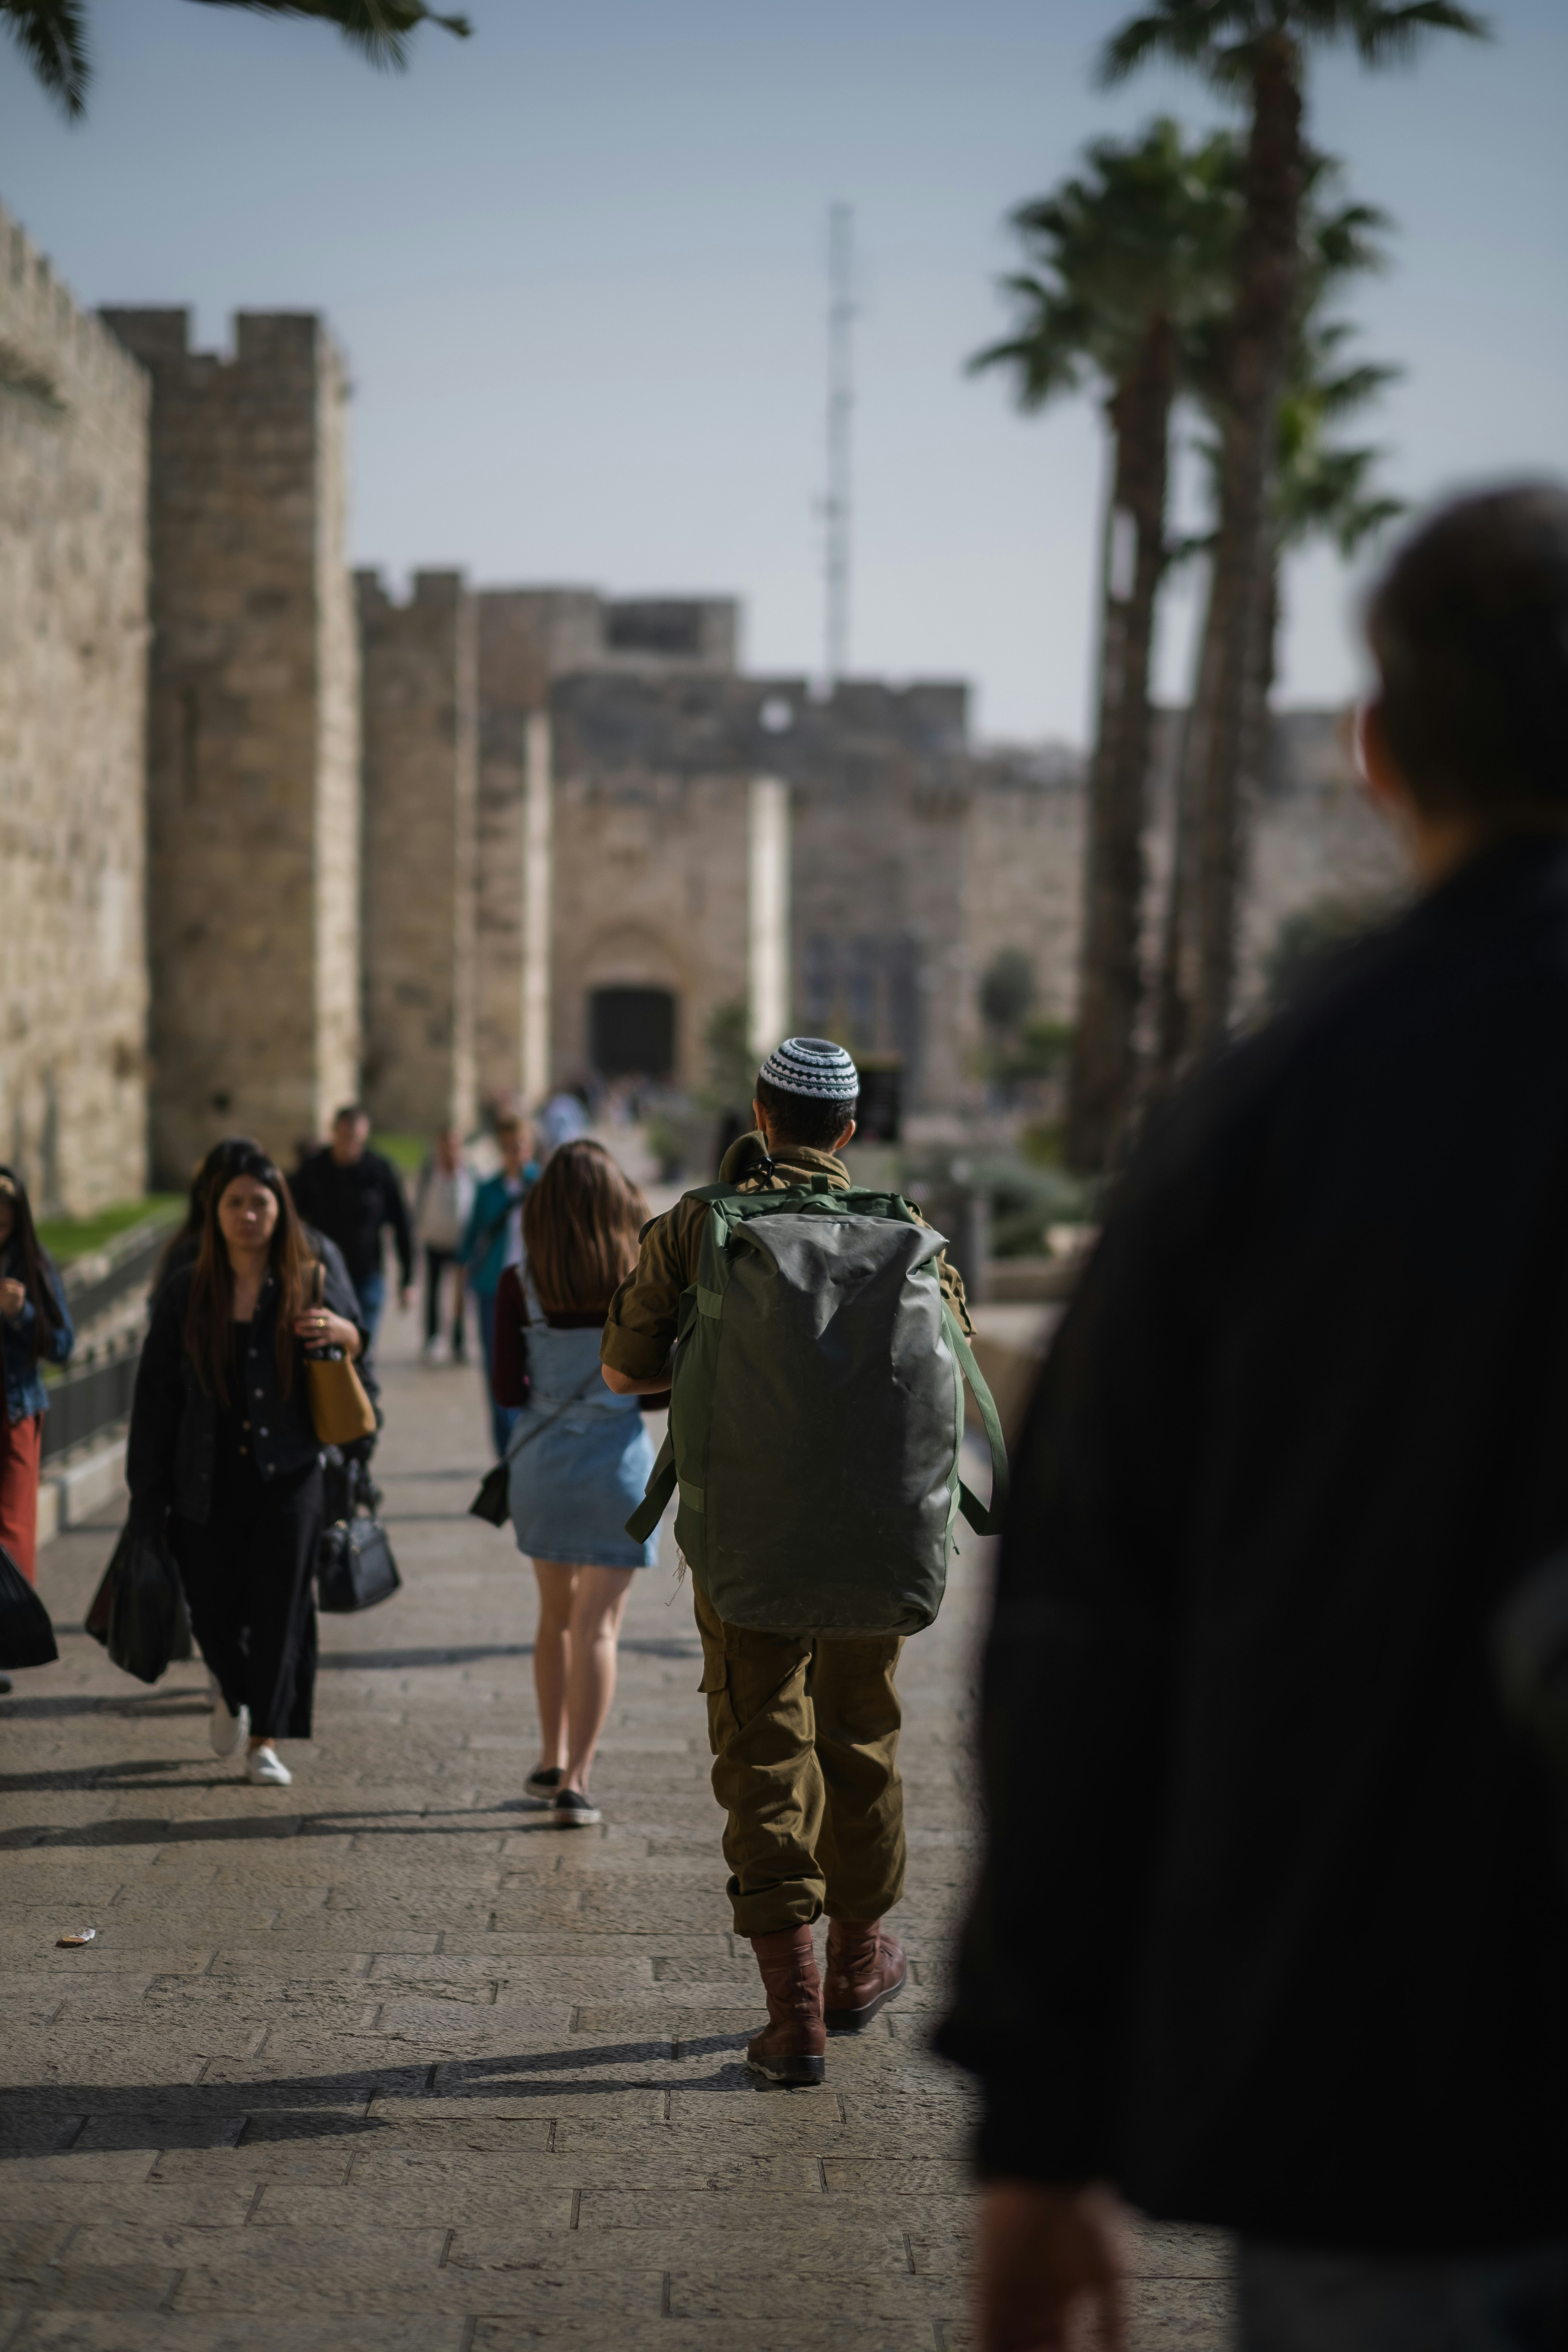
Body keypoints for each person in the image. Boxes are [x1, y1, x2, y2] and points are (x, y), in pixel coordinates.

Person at [936, 486, 1568, 2352]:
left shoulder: (1256, 1126)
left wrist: (1040, 2130)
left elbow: (1078, 1633)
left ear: (1374, 751)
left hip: (1387, 2099)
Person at [601, 1036, 973, 2085]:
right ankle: (860, 1964)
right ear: (848, 1133)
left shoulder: (695, 1228)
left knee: (763, 1745)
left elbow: (624, 1369)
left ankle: (794, 2013)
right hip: (876, 1542)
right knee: (863, 1736)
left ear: (759, 1117)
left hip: (747, 1539)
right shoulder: (912, 1236)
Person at [127, 1142, 368, 1788]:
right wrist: (146, 1497)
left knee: (279, 1609)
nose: (248, 1215)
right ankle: (232, 1694)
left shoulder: (307, 1277)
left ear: (279, 1210)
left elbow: (357, 1349)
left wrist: (347, 1334)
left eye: (259, 1203)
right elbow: (155, 1401)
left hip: (289, 1476)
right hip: (203, 1481)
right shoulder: (187, 1291)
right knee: (210, 1608)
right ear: (216, 1212)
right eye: (234, 1203)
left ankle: (264, 1737)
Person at [489, 1139, 660, 1827]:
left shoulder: (518, 1284)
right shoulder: (639, 1284)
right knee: (599, 1630)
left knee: (554, 1619)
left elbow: (507, 1388)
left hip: (541, 1469)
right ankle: (579, 1783)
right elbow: (649, 1397)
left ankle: (551, 1754)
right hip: (616, 1471)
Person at [0, 1166, 74, 1585]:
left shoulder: (34, 1264)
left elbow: (63, 1346)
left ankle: (10, 1625)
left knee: (12, 1527)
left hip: (14, 1411)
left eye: (5, 1220)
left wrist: (22, 1316)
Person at [290, 1106, 412, 1341]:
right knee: (327, 1350)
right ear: (334, 1133)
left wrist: (407, 1279)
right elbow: (292, 1216)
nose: (350, 1144)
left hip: (367, 1275)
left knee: (362, 1349)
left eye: (356, 1138)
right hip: (323, 1278)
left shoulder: (379, 1171)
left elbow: (401, 1223)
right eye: (345, 1136)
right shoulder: (313, 1170)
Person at [460, 1112, 538, 1458]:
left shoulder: (543, 1185)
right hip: (493, 1290)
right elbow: (471, 1239)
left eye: (520, 1146)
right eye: (508, 1147)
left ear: (530, 1147)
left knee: (536, 1368)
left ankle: (531, 1443)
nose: (514, 1152)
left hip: (536, 1292)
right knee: (496, 1370)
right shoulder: (487, 1189)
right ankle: (506, 1453)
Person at [412, 1126, 474, 1366]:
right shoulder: (430, 1171)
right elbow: (419, 1202)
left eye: (455, 1146)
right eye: (446, 1146)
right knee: (433, 1291)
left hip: (461, 1244)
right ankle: (432, 1337)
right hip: (434, 1241)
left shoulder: (469, 1172)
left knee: (460, 1295)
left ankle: (459, 1341)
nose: (450, 1151)